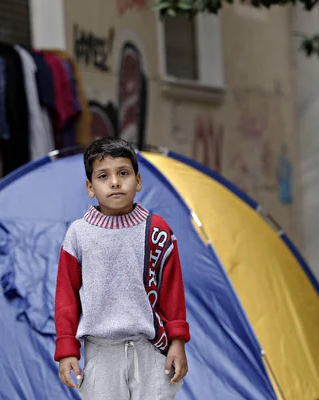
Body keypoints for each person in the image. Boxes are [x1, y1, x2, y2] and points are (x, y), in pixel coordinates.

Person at [54, 137, 190, 399]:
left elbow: (172, 291)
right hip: (100, 353)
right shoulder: (78, 235)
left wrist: (177, 341)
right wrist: (67, 349)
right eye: (103, 176)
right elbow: (66, 298)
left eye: (123, 173)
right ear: (90, 187)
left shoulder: (157, 231)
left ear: (138, 181)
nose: (115, 182)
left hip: (150, 350)